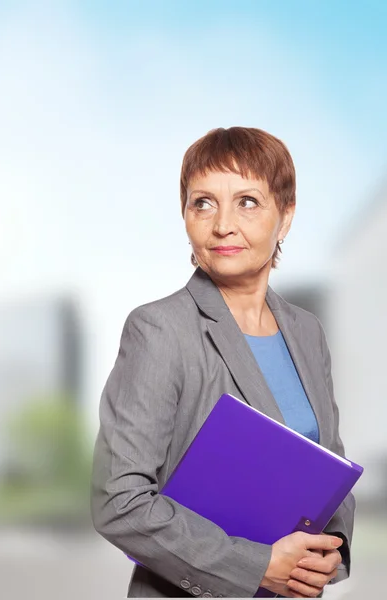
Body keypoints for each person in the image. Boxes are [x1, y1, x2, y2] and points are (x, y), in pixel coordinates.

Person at [90, 127, 355, 598]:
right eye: (203, 203)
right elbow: (120, 502)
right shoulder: (159, 329)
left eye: (248, 202)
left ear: (286, 216)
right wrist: (256, 566)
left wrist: (333, 548)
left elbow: (327, 467)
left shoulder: (306, 332)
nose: (222, 225)